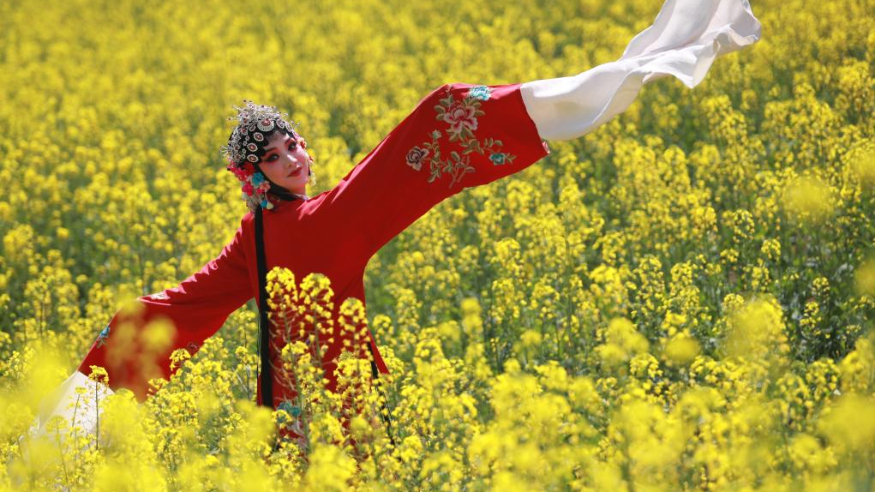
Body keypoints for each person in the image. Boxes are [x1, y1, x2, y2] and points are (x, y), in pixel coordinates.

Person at [26, 0, 761, 456]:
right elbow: (187, 304)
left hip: (327, 397)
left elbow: (176, 309)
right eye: (275, 157)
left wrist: (113, 351)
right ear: (254, 177)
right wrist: (109, 361)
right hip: (304, 403)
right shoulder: (274, 235)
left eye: (295, 144)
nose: (295, 158)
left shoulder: (307, 221)